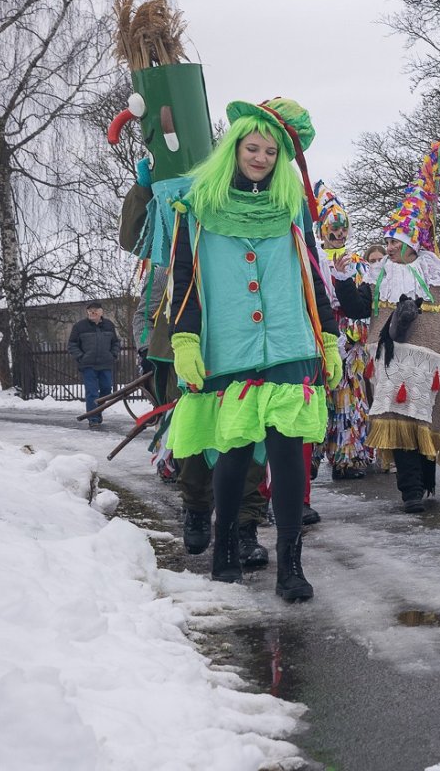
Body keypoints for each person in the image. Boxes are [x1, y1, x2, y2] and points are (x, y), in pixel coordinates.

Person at [166, 97, 340, 602]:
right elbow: (184, 280)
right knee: (235, 453)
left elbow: (313, 278)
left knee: (288, 456)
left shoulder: (292, 209)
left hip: (289, 343)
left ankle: (291, 566)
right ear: (234, 148)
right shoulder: (197, 206)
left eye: (270, 151)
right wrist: (184, 338)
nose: (261, 157)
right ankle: (224, 552)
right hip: (230, 346)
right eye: (252, 148)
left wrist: (328, 337)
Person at [120, 165, 267, 567]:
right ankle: (198, 508)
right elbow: (135, 239)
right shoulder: (174, 223)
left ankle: (245, 527)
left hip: (243, 342)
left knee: (248, 434)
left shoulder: (242, 209)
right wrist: (144, 190)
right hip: (183, 348)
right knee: (195, 435)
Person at [333, 141, 440, 513]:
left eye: (395, 242)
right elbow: (356, 307)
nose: (388, 248)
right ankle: (411, 491)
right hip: (393, 363)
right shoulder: (380, 276)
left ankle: (424, 481)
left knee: (428, 423)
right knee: (401, 423)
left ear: (412, 244)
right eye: (387, 242)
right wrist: (342, 280)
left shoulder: (439, 275)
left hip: (434, 364)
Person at [314, 180, 375, 481]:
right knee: (316, 398)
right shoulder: (311, 258)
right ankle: (309, 456)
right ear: (321, 230)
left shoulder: (358, 264)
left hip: (348, 344)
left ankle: (346, 458)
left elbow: (363, 303)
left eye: (343, 228)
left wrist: (354, 337)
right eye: (333, 228)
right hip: (317, 339)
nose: (339, 234)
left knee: (348, 402)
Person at [67, 301, 122, 428]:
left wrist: (113, 355)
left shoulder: (109, 325)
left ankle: (98, 411)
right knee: (92, 392)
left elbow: (115, 342)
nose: (93, 312)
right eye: (90, 310)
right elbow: (72, 344)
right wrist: (81, 357)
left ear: (101, 312)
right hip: (88, 365)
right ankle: (93, 418)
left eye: (95, 310)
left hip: (106, 364)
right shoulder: (79, 326)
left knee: (106, 389)